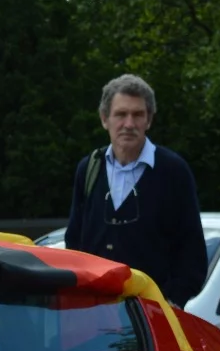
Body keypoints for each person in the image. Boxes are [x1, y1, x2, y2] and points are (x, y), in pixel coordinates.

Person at [64, 74, 206, 308]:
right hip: (93, 311)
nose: (129, 124)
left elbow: (193, 253)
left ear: (148, 120)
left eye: (138, 114)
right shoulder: (88, 169)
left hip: (152, 318)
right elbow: (74, 242)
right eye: (121, 114)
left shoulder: (173, 171)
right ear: (104, 119)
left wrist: (170, 302)